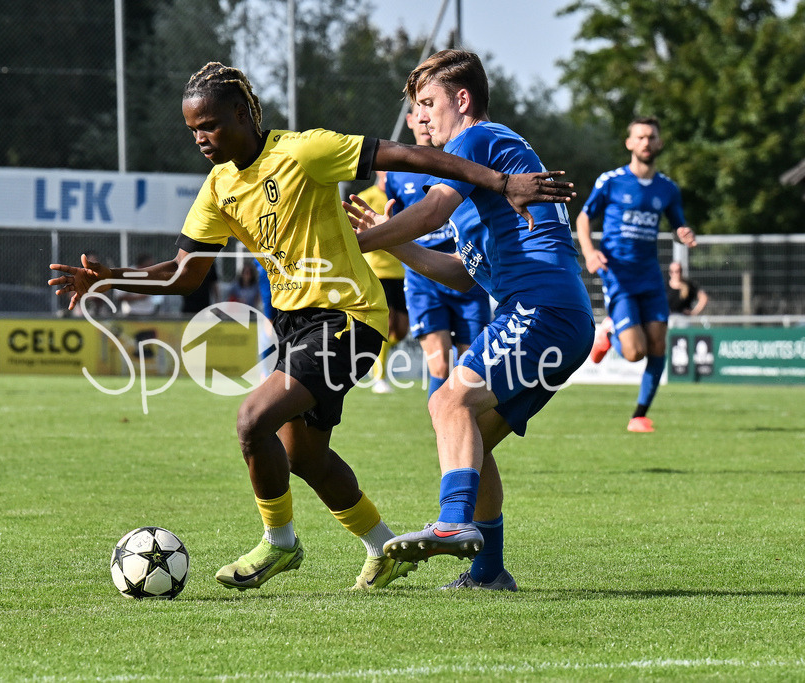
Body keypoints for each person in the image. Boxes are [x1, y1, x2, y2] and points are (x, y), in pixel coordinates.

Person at [49, 61, 572, 592]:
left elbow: (408, 160)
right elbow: (187, 273)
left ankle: (286, 541)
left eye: (209, 125)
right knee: (311, 454)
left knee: (257, 419)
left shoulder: (305, 150)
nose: (201, 138)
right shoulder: (220, 186)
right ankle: (416, 555)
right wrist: (112, 278)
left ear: (241, 113)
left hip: (348, 317)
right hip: (296, 323)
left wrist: (496, 183)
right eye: (193, 130)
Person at [345, 49, 593, 592]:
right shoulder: (481, 173)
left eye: (427, 102)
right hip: (557, 315)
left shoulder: (476, 140)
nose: (420, 116)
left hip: (541, 310)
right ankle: (488, 573)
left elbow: (433, 210)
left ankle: (453, 522)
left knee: (446, 402)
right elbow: (460, 275)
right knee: (472, 437)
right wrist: (390, 242)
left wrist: (353, 243)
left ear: (462, 100)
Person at [576, 116, 698, 433]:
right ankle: (609, 335)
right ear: (629, 143)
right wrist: (589, 252)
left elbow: (678, 223)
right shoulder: (611, 181)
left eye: (651, 137)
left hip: (650, 276)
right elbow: (584, 218)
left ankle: (639, 416)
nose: (646, 142)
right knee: (634, 353)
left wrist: (683, 232)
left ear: (659, 143)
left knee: (658, 344)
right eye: (640, 137)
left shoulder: (667, 188)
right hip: (618, 275)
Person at [386, 102, 491, 401]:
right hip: (423, 278)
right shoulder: (395, 173)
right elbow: (398, 217)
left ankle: (464, 422)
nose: (424, 120)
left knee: (471, 368)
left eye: (429, 111)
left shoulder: (459, 160)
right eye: (417, 114)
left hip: (466, 272)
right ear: (409, 120)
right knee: (440, 364)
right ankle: (442, 424)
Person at [356, 171, 408, 394]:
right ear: (378, 171)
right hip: (376, 270)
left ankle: (370, 357)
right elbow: (356, 233)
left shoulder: (402, 196)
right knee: (387, 323)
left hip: (401, 271)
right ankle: (380, 378)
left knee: (402, 330)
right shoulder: (366, 196)